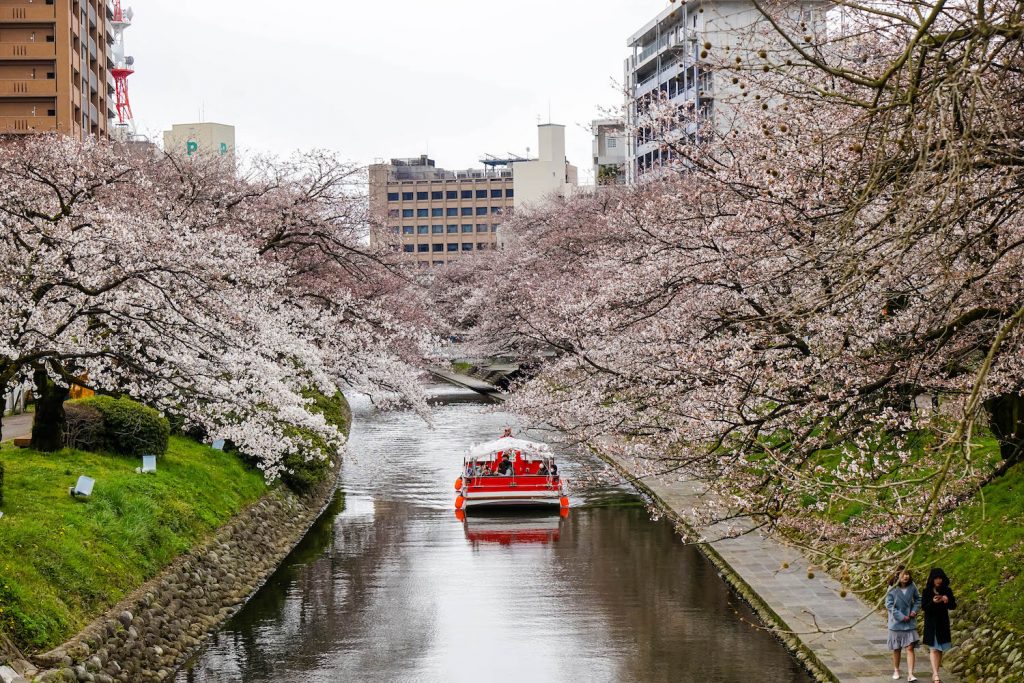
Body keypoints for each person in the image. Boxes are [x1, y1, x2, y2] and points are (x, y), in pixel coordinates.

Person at [885, 566, 921, 681]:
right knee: (897, 648)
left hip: (910, 622)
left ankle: (910, 674)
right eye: (903, 574)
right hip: (896, 623)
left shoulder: (912, 586)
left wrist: (914, 611)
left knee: (910, 647)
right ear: (897, 575)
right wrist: (900, 616)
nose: (906, 576)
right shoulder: (892, 588)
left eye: (907, 574)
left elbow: (918, 599)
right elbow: (889, 605)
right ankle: (896, 669)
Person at [922, 567, 956, 682]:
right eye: (936, 578)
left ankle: (935, 673)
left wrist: (947, 600)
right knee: (933, 649)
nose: (938, 580)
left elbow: (953, 606)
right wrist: (933, 602)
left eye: (940, 578)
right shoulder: (926, 591)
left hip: (942, 623)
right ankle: (936, 674)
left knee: (940, 649)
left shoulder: (947, 590)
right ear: (932, 579)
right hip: (931, 624)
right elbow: (925, 608)